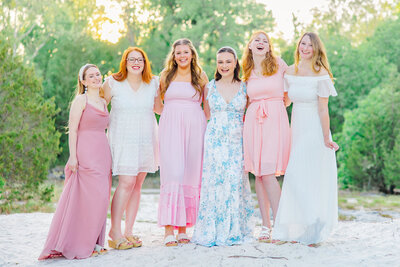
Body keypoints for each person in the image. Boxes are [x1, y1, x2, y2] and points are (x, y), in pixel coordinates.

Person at [39, 64, 111, 260]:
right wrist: (73, 156)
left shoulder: (104, 102)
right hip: (85, 151)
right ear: (83, 81)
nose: (96, 78)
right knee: (87, 198)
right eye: (91, 76)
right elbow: (74, 129)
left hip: (103, 153)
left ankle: (95, 242)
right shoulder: (81, 100)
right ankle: (80, 243)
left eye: (98, 74)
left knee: (102, 199)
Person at [273, 32, 339, 245]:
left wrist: (326, 138)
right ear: (298, 45)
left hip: (314, 129)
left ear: (316, 48)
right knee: (296, 177)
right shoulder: (289, 71)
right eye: (302, 43)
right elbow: (284, 102)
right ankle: (303, 226)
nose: (305, 48)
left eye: (310, 45)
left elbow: (323, 109)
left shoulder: (321, 74)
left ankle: (315, 226)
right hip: (296, 128)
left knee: (306, 176)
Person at [191, 46, 253, 246]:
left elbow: (249, 113)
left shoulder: (245, 86)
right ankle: (212, 230)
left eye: (228, 61)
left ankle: (235, 230)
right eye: (220, 62)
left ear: (235, 63)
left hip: (237, 140)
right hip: (215, 139)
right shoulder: (209, 87)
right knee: (215, 183)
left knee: (234, 182)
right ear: (216, 64)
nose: (224, 65)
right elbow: (207, 114)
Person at [103, 47, 163, 249]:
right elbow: (99, 106)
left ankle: (128, 231)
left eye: (140, 59)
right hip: (122, 139)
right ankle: (115, 230)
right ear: (125, 62)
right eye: (131, 59)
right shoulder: (113, 83)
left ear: (145, 63)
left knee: (137, 184)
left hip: (146, 138)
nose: (136, 62)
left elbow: (160, 109)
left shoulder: (153, 83)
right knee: (126, 183)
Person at [158, 38, 209, 246]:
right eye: (178, 53)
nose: (182, 56)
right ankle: (169, 229)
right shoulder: (165, 76)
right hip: (170, 128)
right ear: (174, 55)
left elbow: (208, 106)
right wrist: (172, 116)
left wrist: (198, 121)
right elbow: (157, 104)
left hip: (196, 128)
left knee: (190, 174)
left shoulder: (200, 76)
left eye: (185, 52)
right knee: (173, 173)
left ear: (192, 54)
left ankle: (183, 229)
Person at [242, 31, 291, 242]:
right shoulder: (245, 70)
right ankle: (265, 226)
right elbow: (243, 99)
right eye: (257, 40)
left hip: (275, 119)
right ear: (250, 46)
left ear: (269, 47)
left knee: (269, 173)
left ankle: (281, 225)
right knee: (259, 174)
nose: (261, 43)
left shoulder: (280, 65)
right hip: (253, 121)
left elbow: (289, 95)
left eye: (265, 41)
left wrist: (274, 108)